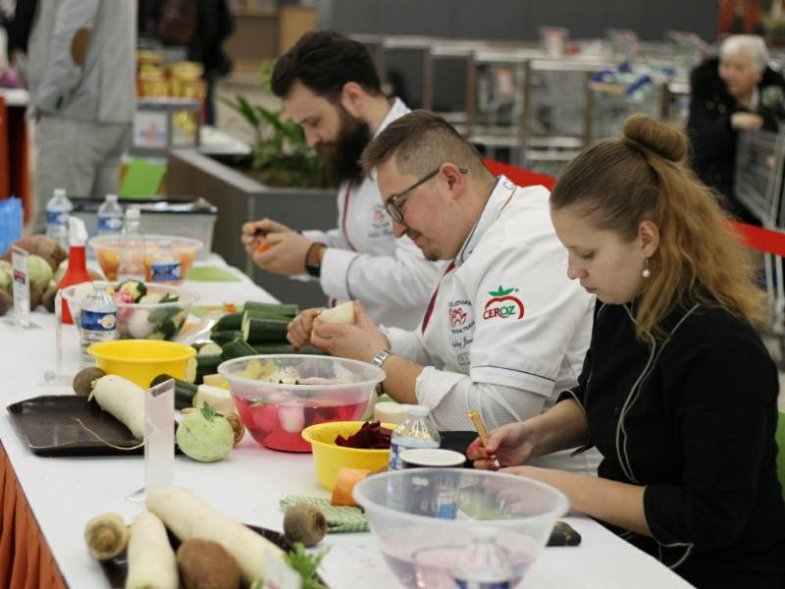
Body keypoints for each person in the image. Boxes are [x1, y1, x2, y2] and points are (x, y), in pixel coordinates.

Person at [468, 114, 785, 588]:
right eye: (568, 252)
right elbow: (596, 391)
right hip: (630, 555)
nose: (573, 271)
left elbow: (710, 517)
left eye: (587, 254)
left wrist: (556, 486)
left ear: (646, 238)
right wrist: (535, 437)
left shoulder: (721, 353)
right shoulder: (619, 304)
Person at [288, 110, 597, 473]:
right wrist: (357, 340)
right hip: (495, 474)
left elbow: (496, 413)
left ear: (450, 179)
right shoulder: (473, 236)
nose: (397, 230)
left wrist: (378, 361)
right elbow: (438, 353)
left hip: (559, 497)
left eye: (398, 208)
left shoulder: (526, 243)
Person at [240, 31, 444, 331]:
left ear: (352, 96)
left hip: (411, 356)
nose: (311, 140)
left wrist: (315, 259)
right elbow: (365, 243)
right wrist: (298, 244)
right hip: (369, 347)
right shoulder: (358, 146)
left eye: (314, 123)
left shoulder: (415, 155)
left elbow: (423, 278)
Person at [27, 0, 136, 234]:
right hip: (110, 109)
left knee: (55, 237)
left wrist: (50, 98)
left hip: (77, 114)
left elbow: (74, 35)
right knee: (103, 238)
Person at [686, 34, 785, 225]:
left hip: (763, 200)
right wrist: (730, 123)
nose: (728, 74)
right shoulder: (707, 95)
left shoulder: (775, 99)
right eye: (725, 65)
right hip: (715, 198)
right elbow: (697, 142)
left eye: (738, 68)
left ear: (758, 73)